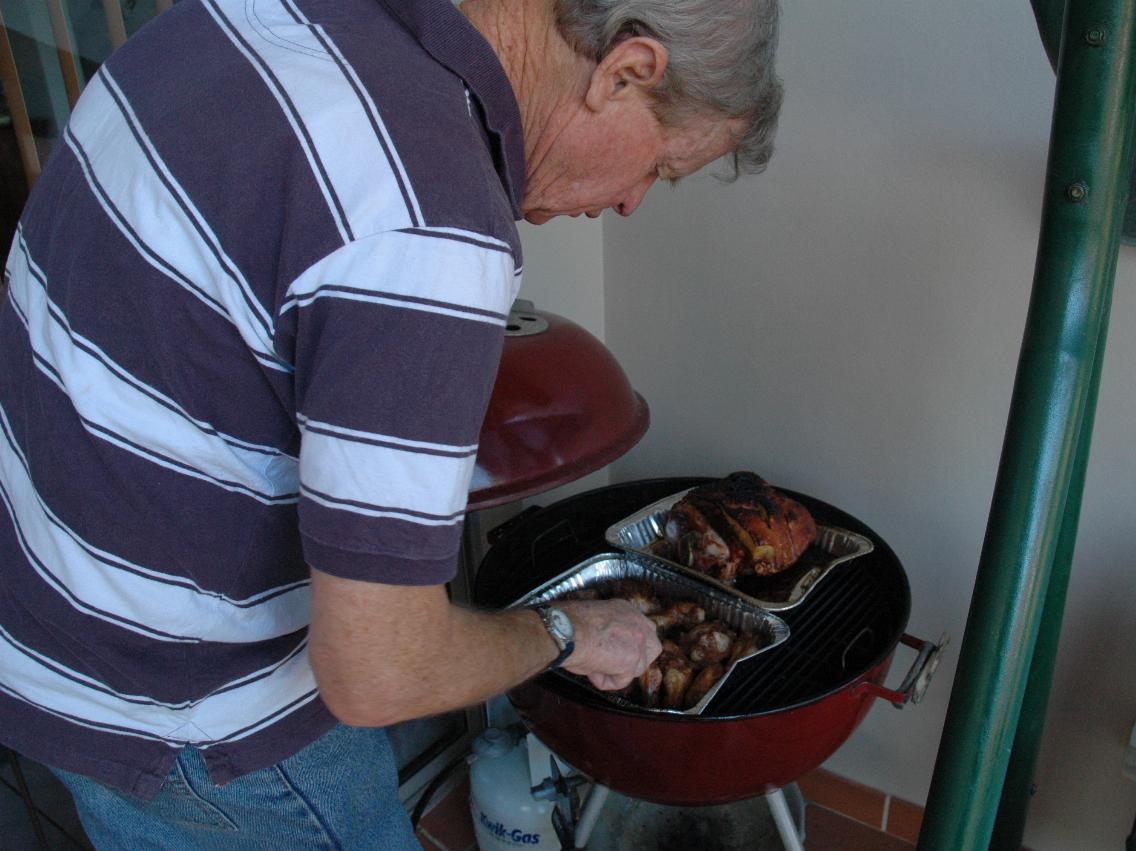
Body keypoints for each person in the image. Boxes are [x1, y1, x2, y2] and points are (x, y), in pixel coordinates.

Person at [0, 0, 781, 846]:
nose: (632, 203)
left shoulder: (255, 15)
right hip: (200, 722)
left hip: (52, 618)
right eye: (662, 167)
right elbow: (376, 672)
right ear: (627, 71)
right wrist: (570, 631)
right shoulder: (427, 215)